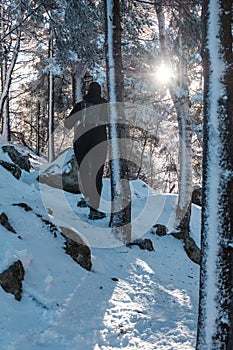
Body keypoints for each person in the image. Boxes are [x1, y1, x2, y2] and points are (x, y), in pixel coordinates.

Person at [64, 82, 108, 220]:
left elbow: (67, 124)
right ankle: (94, 209)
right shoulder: (105, 105)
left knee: (84, 172)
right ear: (100, 91)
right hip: (99, 143)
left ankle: (87, 199)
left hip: (81, 142)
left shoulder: (81, 105)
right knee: (97, 174)